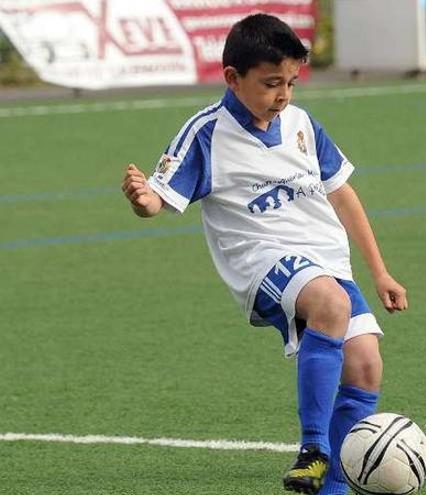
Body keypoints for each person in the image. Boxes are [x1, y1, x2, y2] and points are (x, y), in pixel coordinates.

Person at [120, 14, 407, 495]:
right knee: (330, 305)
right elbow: (159, 198)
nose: (284, 95)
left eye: (292, 83)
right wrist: (141, 198)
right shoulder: (206, 133)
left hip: (326, 262)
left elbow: (343, 196)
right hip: (262, 262)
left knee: (365, 363)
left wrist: (380, 272)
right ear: (232, 78)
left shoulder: (301, 125)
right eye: (272, 83)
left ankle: (332, 487)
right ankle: (314, 448)